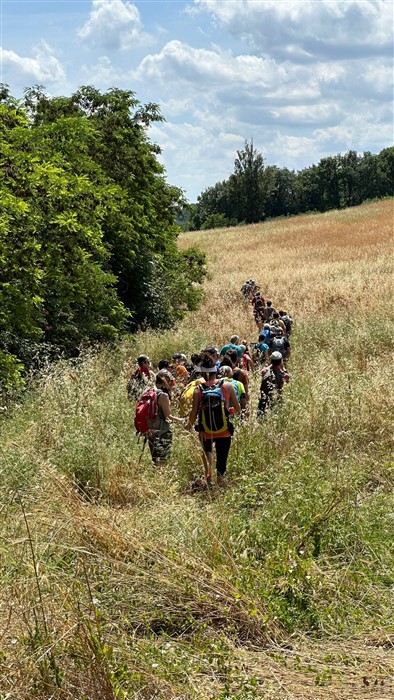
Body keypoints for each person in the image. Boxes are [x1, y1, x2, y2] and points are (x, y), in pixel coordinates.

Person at [186, 359, 240, 487]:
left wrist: (188, 425)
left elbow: (194, 412)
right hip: (224, 430)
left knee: (207, 453)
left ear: (203, 374)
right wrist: (228, 411)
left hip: (205, 430)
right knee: (222, 461)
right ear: (216, 372)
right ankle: (220, 485)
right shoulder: (227, 386)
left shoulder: (198, 390)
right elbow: (237, 408)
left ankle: (208, 477)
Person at [147, 370, 183, 464]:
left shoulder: (148, 392)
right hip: (162, 430)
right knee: (163, 459)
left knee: (155, 458)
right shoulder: (163, 395)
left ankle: (155, 476)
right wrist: (181, 421)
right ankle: (159, 477)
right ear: (165, 382)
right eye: (170, 383)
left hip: (149, 428)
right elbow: (168, 416)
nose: (171, 386)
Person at [257, 351, 291, 416]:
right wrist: (282, 368)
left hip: (264, 398)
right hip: (277, 397)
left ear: (271, 360)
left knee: (262, 415)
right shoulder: (284, 375)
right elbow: (288, 380)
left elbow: (266, 369)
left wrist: (271, 364)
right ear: (281, 361)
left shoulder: (264, 371)